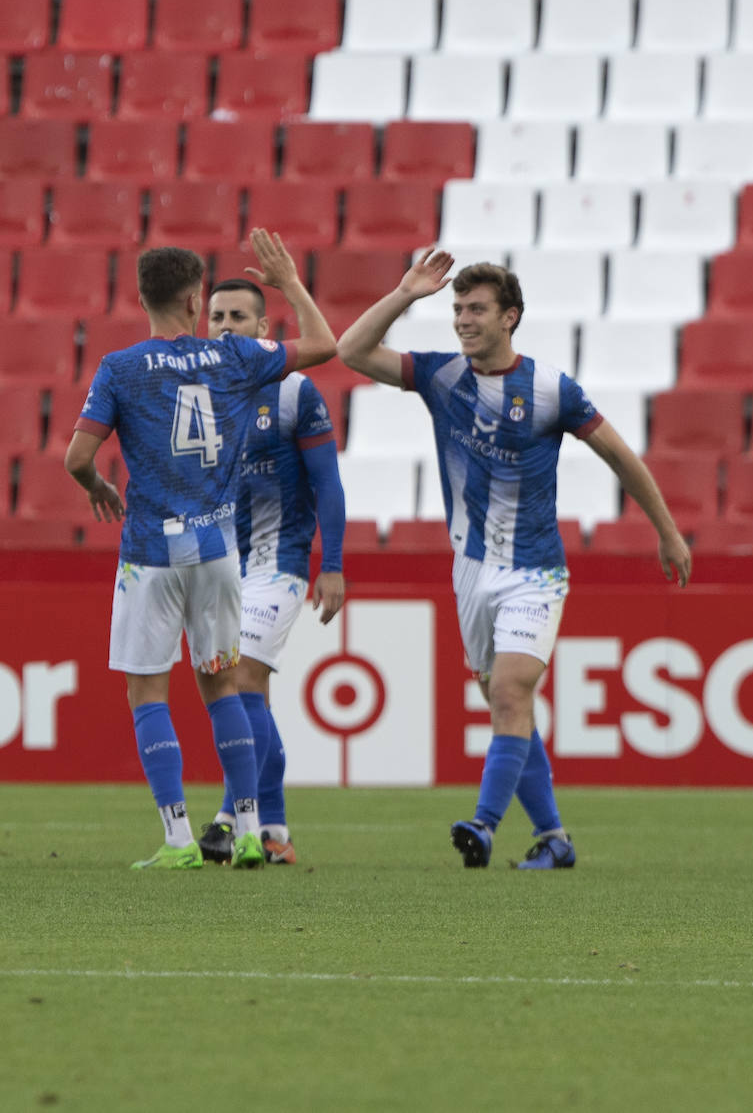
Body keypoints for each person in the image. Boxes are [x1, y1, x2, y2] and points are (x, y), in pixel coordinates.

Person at [337, 248, 692, 870]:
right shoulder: (443, 377)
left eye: (476, 309)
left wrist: (666, 531)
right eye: (457, 308)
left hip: (534, 570)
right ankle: (554, 838)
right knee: (509, 706)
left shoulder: (553, 390)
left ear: (511, 318)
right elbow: (352, 352)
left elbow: (618, 456)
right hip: (470, 571)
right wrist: (405, 294)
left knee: (508, 692)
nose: (462, 319)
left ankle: (484, 823)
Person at [64, 230, 337, 871]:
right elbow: (326, 345)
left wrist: (98, 485)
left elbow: (78, 457)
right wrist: (290, 282)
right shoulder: (234, 359)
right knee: (222, 690)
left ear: (141, 297)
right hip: (218, 552)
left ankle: (180, 840)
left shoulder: (121, 367)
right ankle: (248, 829)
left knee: (148, 695)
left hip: (152, 554)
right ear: (195, 300)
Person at [195, 276, 346, 866]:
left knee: (243, 677)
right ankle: (276, 829)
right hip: (216, 568)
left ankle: (230, 818)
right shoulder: (197, 393)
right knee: (248, 691)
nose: (226, 326)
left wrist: (329, 566)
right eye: (217, 316)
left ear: (264, 329)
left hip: (277, 565)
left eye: (239, 316)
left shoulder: (293, 392)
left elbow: (327, 484)